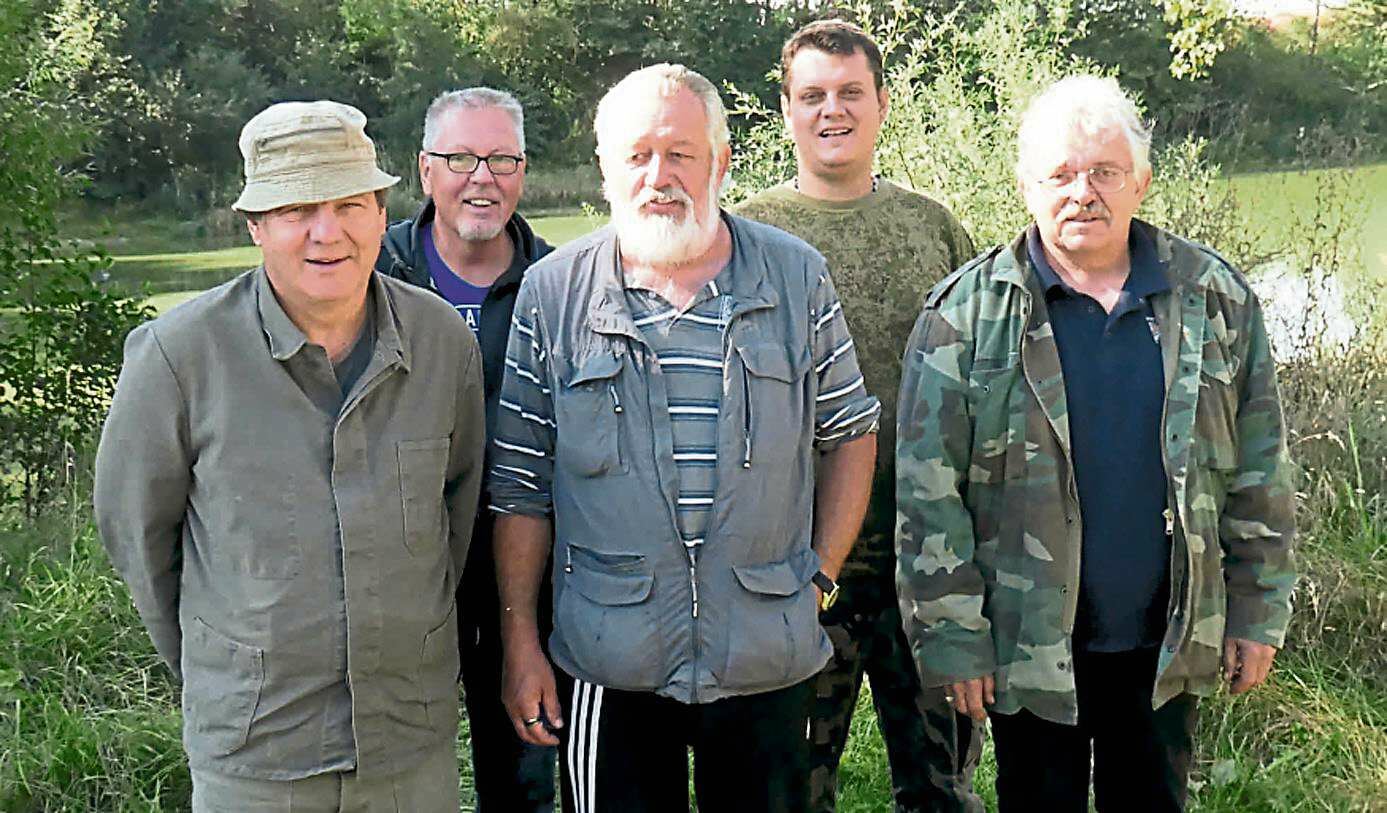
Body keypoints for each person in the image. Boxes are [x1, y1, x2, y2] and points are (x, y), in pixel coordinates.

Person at [896, 75, 1296, 812]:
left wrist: (1255, 608)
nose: (1082, 192)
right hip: (1025, 644)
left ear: (1139, 182)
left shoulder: (1213, 297)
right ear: (1025, 186)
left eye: (1103, 172)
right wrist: (951, 636)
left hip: (1164, 636)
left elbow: (1259, 463)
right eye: (1059, 174)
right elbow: (927, 492)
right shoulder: (965, 310)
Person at [488, 63, 880, 813]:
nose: (657, 176)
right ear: (606, 167)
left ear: (720, 161)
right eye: (637, 155)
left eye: (680, 153)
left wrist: (819, 576)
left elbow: (850, 433)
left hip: (765, 652)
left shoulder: (794, 276)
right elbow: (519, 483)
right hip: (611, 659)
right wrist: (519, 642)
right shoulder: (553, 293)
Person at [94, 100, 486, 811]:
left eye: (348, 204)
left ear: (379, 210)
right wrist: (230, 671)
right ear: (255, 224)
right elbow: (141, 543)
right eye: (296, 209)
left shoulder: (441, 344)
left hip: (410, 751)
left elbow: (456, 528)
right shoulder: (177, 358)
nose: (325, 232)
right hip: (256, 761)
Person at [732, 19, 982, 812]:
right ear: (785, 111)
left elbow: (986, 381)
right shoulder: (742, 235)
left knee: (941, 786)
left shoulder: (934, 227)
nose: (830, 111)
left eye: (849, 93)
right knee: (789, 789)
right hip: (798, 567)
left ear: (880, 104)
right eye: (811, 96)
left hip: (928, 562)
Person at [375, 87, 557, 812]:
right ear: (425, 170)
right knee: (391, 776)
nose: (481, 177)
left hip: (528, 572)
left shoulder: (558, 284)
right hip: (397, 568)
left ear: (522, 170)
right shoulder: (371, 273)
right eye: (460, 158)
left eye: (501, 158)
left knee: (526, 777)